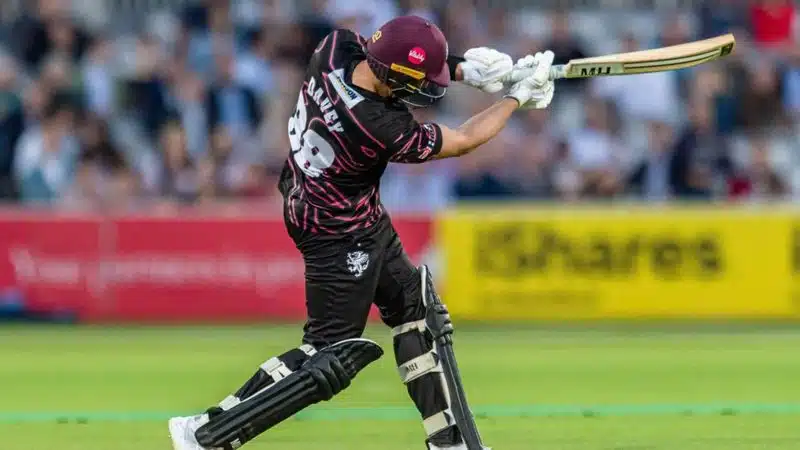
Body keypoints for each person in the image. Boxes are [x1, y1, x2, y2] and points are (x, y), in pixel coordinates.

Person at [169, 15, 555, 450]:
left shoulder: (334, 49)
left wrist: (465, 69)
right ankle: (207, 433)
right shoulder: (377, 126)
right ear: (393, 75)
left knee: (417, 312)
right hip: (337, 232)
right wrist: (515, 97)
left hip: (336, 207)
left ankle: (451, 443)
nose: (424, 90)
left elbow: (394, 58)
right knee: (327, 358)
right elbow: (463, 138)